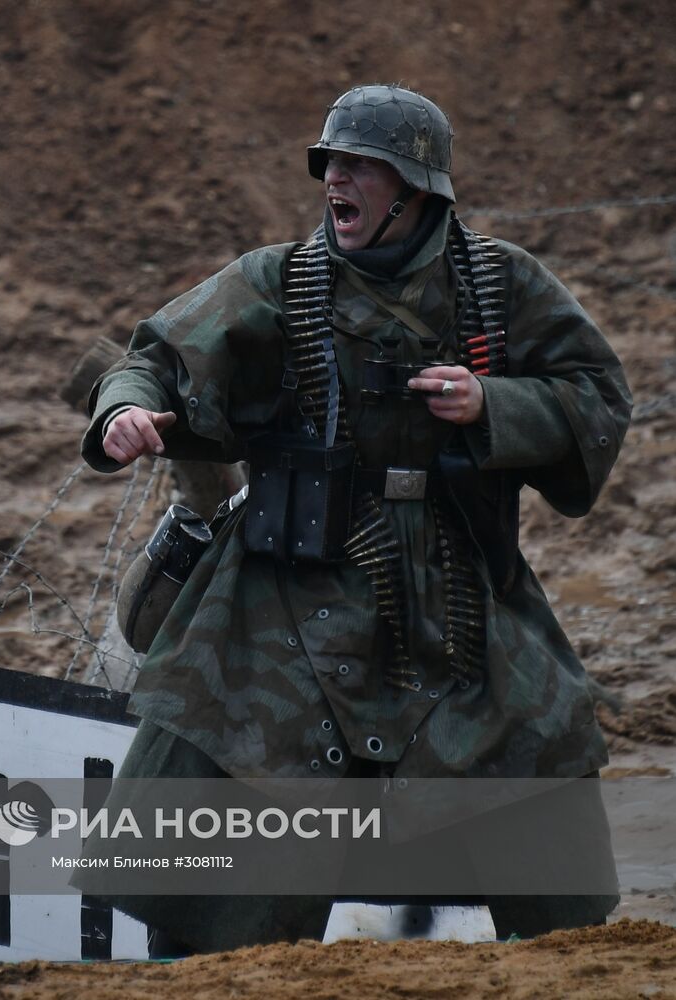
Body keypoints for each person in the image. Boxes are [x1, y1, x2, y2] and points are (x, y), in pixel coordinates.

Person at [80, 84, 632, 954]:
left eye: (358, 166)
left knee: (533, 743)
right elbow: (155, 358)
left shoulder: (498, 283)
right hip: (287, 577)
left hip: (454, 577)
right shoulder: (279, 280)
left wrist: (492, 402)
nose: (333, 179)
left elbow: (597, 396)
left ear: (414, 191)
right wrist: (124, 413)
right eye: (329, 163)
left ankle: (558, 960)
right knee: (225, 748)